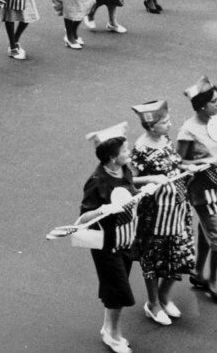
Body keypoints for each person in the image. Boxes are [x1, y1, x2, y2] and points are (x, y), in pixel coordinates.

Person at [76, 122, 142, 353]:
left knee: (115, 289)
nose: (129, 152)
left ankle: (107, 328)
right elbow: (83, 219)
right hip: (106, 245)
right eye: (125, 150)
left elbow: (130, 190)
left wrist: (144, 190)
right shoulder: (97, 181)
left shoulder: (124, 170)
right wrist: (104, 209)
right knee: (120, 292)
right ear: (113, 157)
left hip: (126, 239)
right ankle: (114, 336)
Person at [129, 100, 194, 325]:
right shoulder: (140, 148)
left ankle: (165, 296)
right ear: (151, 126)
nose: (169, 125)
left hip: (178, 207)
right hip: (154, 213)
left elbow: (174, 164)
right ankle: (153, 303)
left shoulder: (166, 139)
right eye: (164, 122)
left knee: (179, 253)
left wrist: (186, 167)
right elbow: (130, 180)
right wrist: (151, 178)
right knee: (154, 257)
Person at [177, 76, 217, 304]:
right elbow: (178, 163)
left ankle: (198, 271)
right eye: (214, 101)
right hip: (204, 192)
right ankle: (213, 279)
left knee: (209, 231)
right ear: (202, 105)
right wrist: (201, 163)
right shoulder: (188, 131)